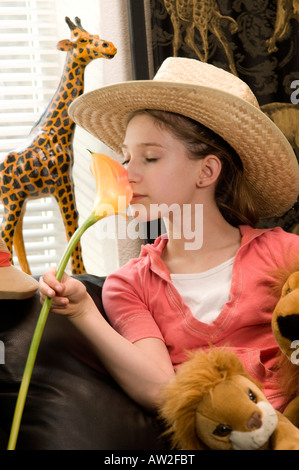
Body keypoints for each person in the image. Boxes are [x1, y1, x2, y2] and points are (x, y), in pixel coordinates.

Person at [39, 57, 299, 413]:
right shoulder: (130, 286)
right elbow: (162, 392)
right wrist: (83, 311)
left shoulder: (285, 254)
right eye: (126, 157)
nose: (126, 174)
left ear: (206, 171)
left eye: (150, 158)